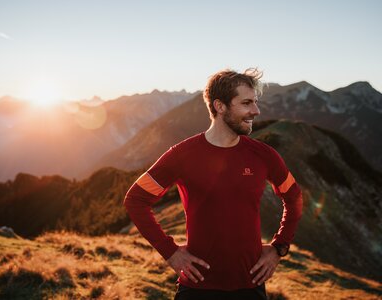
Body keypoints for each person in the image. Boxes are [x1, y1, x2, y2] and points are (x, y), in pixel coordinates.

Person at [123, 68, 303, 300]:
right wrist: (170, 252)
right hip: (197, 288)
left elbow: (294, 197)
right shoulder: (182, 155)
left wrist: (279, 247)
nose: (256, 111)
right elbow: (136, 200)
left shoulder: (264, 155)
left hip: (251, 286)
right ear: (220, 106)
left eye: (255, 102)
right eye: (246, 103)